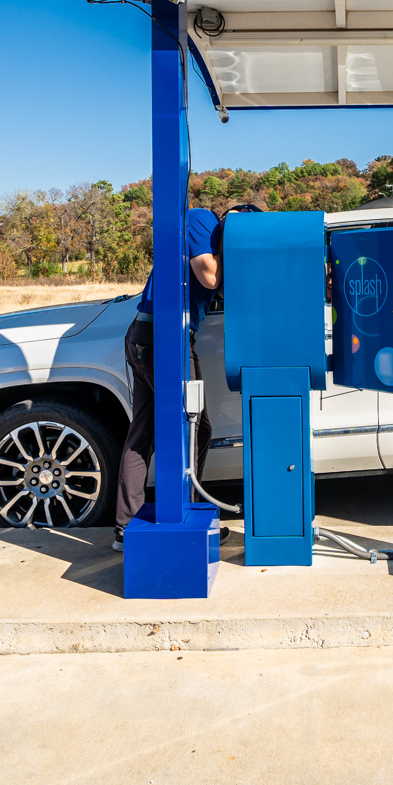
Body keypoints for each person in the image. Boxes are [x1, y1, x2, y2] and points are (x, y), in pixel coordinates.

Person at [113, 206, 222, 551]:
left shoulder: (209, 232)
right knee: (192, 428)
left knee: (145, 431)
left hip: (155, 336)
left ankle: (124, 527)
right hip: (164, 338)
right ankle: (185, 516)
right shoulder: (202, 219)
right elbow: (209, 276)